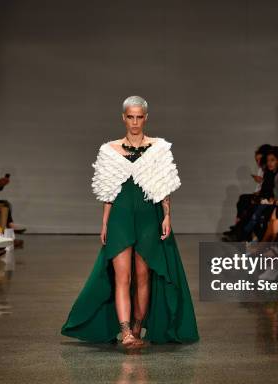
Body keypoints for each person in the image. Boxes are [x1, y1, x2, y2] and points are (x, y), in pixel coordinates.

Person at [61, 96, 199, 347]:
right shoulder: (109, 150)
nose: (135, 122)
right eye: (130, 117)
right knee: (121, 276)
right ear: (123, 118)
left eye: (139, 117)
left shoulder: (159, 148)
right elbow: (108, 191)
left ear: (146, 118)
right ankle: (125, 332)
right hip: (121, 218)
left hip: (149, 216)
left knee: (143, 275)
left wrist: (167, 215)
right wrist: (104, 223)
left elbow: (164, 187)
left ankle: (137, 327)